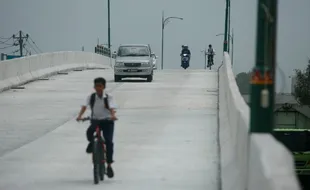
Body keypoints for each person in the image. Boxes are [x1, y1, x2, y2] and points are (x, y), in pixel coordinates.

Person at [76, 77, 117, 178]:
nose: (98, 88)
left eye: (100, 86)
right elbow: (84, 106)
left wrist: (112, 116)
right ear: (94, 87)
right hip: (96, 120)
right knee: (89, 132)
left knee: (109, 142)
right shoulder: (91, 97)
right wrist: (80, 116)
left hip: (107, 121)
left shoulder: (108, 97)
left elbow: (112, 107)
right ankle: (92, 144)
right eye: (96, 86)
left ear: (104, 87)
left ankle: (109, 165)